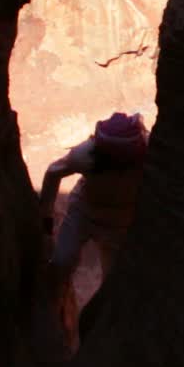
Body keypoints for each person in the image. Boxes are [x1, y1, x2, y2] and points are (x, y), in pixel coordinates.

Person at [38, 112, 148, 332]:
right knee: (61, 262)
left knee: (111, 284)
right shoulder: (85, 156)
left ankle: (100, 328)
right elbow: (53, 173)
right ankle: (54, 313)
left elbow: (53, 173)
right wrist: (45, 218)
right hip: (85, 213)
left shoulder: (98, 155)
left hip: (119, 224)